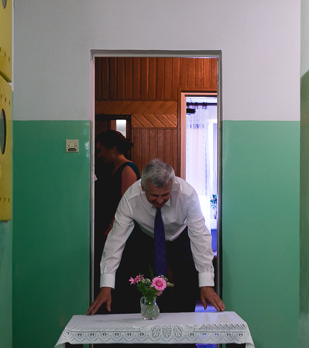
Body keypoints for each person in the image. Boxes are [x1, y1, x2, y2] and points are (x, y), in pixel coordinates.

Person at [87, 159, 225, 315]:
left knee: (186, 289)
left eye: (165, 195)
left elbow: (200, 237)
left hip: (182, 239)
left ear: (172, 185)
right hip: (147, 240)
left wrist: (206, 284)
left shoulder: (187, 194)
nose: (160, 200)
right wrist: (106, 286)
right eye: (154, 195)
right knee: (146, 290)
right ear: (143, 187)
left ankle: (185, 329)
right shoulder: (130, 198)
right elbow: (115, 242)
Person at [93, 130, 140, 294]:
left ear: (112, 149)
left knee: (122, 274)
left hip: (120, 231)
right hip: (111, 229)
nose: (100, 155)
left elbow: (125, 205)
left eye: (101, 150)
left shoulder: (127, 169)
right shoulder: (112, 168)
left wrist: (112, 228)